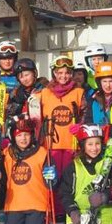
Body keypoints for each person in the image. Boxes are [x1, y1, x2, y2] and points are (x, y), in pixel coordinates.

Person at [56, 124, 112, 224]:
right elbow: (65, 193)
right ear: (83, 145)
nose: (94, 148)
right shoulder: (74, 166)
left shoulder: (109, 164)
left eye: (97, 144)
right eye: (90, 144)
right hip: (80, 213)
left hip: (103, 213)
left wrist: (104, 196)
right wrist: (72, 211)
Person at [0, 118, 52, 224]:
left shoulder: (42, 153)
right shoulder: (7, 154)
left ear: (32, 135)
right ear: (13, 137)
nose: (23, 138)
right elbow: (2, 180)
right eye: (19, 135)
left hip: (36, 204)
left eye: (26, 134)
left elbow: (52, 182)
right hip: (14, 205)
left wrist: (52, 178)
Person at [38, 56, 86, 187]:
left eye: (67, 73)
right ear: (54, 73)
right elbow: (34, 114)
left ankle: (67, 207)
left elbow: (85, 115)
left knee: (68, 180)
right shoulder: (44, 92)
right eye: (60, 73)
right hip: (50, 145)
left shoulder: (79, 92)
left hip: (71, 145)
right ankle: (53, 206)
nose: (63, 76)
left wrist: (80, 126)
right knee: (51, 180)